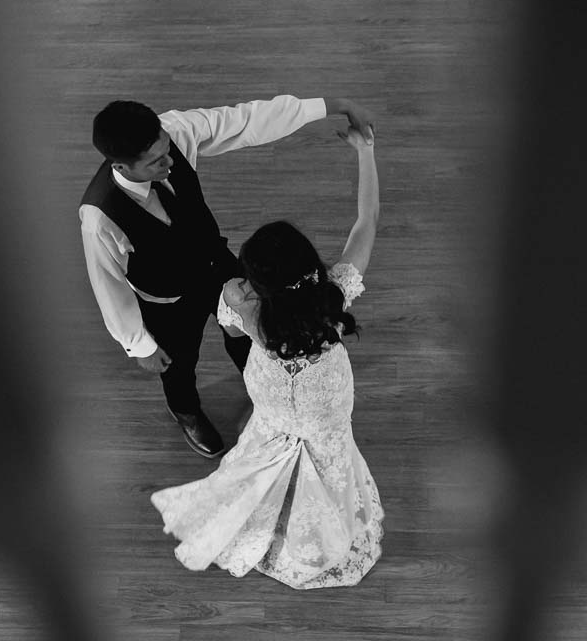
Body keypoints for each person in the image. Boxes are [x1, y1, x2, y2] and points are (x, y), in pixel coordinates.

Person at [80, 94, 378, 458]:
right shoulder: (99, 216)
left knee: (252, 336)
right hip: (166, 298)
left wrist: (334, 105)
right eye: (156, 162)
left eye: (167, 150)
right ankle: (186, 412)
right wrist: (139, 344)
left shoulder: (175, 131)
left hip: (218, 266)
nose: (171, 162)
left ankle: (266, 386)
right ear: (121, 166)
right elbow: (107, 283)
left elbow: (248, 120)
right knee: (177, 361)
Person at [150, 123, 381, 588]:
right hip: (326, 409)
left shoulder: (239, 302)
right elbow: (367, 221)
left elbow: (224, 315)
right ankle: (318, 536)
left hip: (273, 404)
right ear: (309, 267)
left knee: (269, 447)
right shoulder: (331, 300)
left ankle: (269, 524)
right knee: (329, 464)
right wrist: (366, 151)